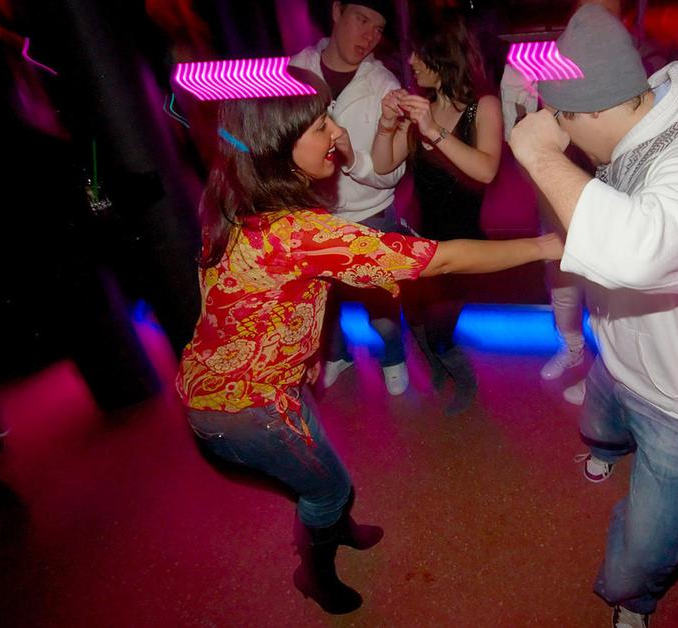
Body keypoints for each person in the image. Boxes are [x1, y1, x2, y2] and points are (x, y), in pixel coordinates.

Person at [176, 69, 561, 615]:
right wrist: (544, 246)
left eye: (329, 117)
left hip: (245, 381)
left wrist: (303, 354)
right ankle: (315, 572)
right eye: (320, 126)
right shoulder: (298, 233)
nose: (337, 133)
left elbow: (243, 296)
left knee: (324, 471)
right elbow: (441, 259)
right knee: (327, 487)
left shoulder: (232, 196)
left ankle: (338, 524)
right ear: (276, 149)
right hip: (244, 406)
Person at [508, 5, 678, 626]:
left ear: (593, 111)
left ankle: (632, 600)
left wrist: (540, 156)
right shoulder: (644, 132)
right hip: (620, 354)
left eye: (566, 124)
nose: (567, 140)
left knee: (644, 550)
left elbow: (640, 254)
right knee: (600, 424)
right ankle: (606, 447)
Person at [500, 0, 670, 406]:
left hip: (613, 196)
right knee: (561, 284)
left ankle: (607, 372)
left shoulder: (639, 60)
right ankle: (573, 349)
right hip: (558, 196)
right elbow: (523, 130)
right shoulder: (557, 60)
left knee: (609, 294)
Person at [371, 13, 502, 416]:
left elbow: (486, 169)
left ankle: (464, 381)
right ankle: (441, 370)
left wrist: (434, 131)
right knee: (416, 322)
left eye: (418, 53)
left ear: (442, 54)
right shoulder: (422, 109)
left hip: (463, 248)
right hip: (421, 242)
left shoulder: (483, 106)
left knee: (441, 331)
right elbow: (382, 164)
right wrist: (387, 124)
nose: (410, 62)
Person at [289, 0, 412, 396]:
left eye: (378, 28)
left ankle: (393, 356)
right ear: (337, 11)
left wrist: (351, 158)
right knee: (321, 302)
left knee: (381, 303)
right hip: (312, 214)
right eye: (362, 20)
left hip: (370, 213)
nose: (369, 36)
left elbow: (390, 173)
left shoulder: (384, 84)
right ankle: (337, 354)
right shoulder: (296, 69)